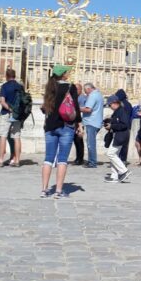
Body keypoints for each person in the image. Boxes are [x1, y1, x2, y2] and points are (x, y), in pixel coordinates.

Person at [40, 65, 80, 198]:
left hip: (50, 126)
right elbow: (75, 107)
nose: (68, 73)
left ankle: (44, 190)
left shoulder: (50, 87)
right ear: (63, 74)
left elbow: (45, 108)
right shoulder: (70, 87)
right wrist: (78, 123)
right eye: (67, 72)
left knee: (48, 159)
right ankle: (58, 190)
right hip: (66, 125)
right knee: (62, 159)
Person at [0, 68, 24, 168]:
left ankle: (0, 160)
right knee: (16, 137)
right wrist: (16, 111)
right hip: (17, 115)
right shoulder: (20, 86)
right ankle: (17, 160)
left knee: (3, 136)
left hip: (6, 113)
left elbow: (2, 101)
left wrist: (10, 109)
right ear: (15, 75)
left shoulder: (5, 86)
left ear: (7, 76)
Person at [103, 92, 132, 184]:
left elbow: (124, 125)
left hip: (121, 136)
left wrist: (112, 126)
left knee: (110, 154)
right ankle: (114, 176)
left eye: (110, 105)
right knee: (113, 156)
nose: (109, 107)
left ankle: (124, 171)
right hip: (118, 135)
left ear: (115, 103)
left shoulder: (121, 111)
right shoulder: (117, 111)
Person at [78, 82, 103, 169]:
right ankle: (91, 161)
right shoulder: (98, 94)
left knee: (90, 143)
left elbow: (88, 109)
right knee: (91, 142)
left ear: (89, 89)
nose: (85, 93)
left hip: (91, 122)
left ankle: (92, 162)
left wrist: (77, 108)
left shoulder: (92, 96)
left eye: (85, 91)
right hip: (95, 121)